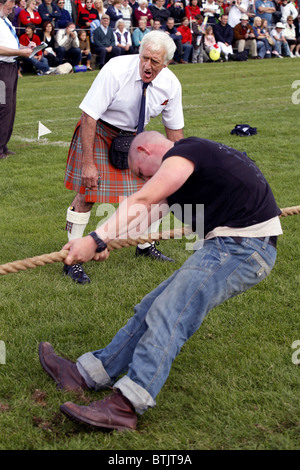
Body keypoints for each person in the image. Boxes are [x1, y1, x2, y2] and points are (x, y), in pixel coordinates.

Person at [39, 130, 282, 431]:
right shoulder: (184, 176)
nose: (143, 180)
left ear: (145, 149)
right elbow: (143, 216)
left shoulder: (185, 151)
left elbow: (142, 198)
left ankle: (127, 405)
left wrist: (96, 237)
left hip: (243, 247)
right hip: (230, 246)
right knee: (150, 308)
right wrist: (99, 243)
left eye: (140, 172)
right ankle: (88, 374)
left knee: (171, 314)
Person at [62, 31, 184, 284]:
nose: (147, 65)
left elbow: (175, 132)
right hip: (100, 130)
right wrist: (88, 163)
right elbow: (89, 116)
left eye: (155, 61)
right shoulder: (116, 69)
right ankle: (72, 257)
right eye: (145, 58)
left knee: (155, 191)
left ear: (167, 63)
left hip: (135, 138)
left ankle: (144, 244)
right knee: (88, 192)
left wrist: (181, 167)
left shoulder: (171, 85)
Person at [0, 0, 32, 159]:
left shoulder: (5, 21)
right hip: (1, 69)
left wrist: (25, 49)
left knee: (10, 106)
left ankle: (3, 145)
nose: (10, 11)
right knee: (3, 106)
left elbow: (10, 43)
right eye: (8, 8)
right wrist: (19, 51)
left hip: (11, 66)